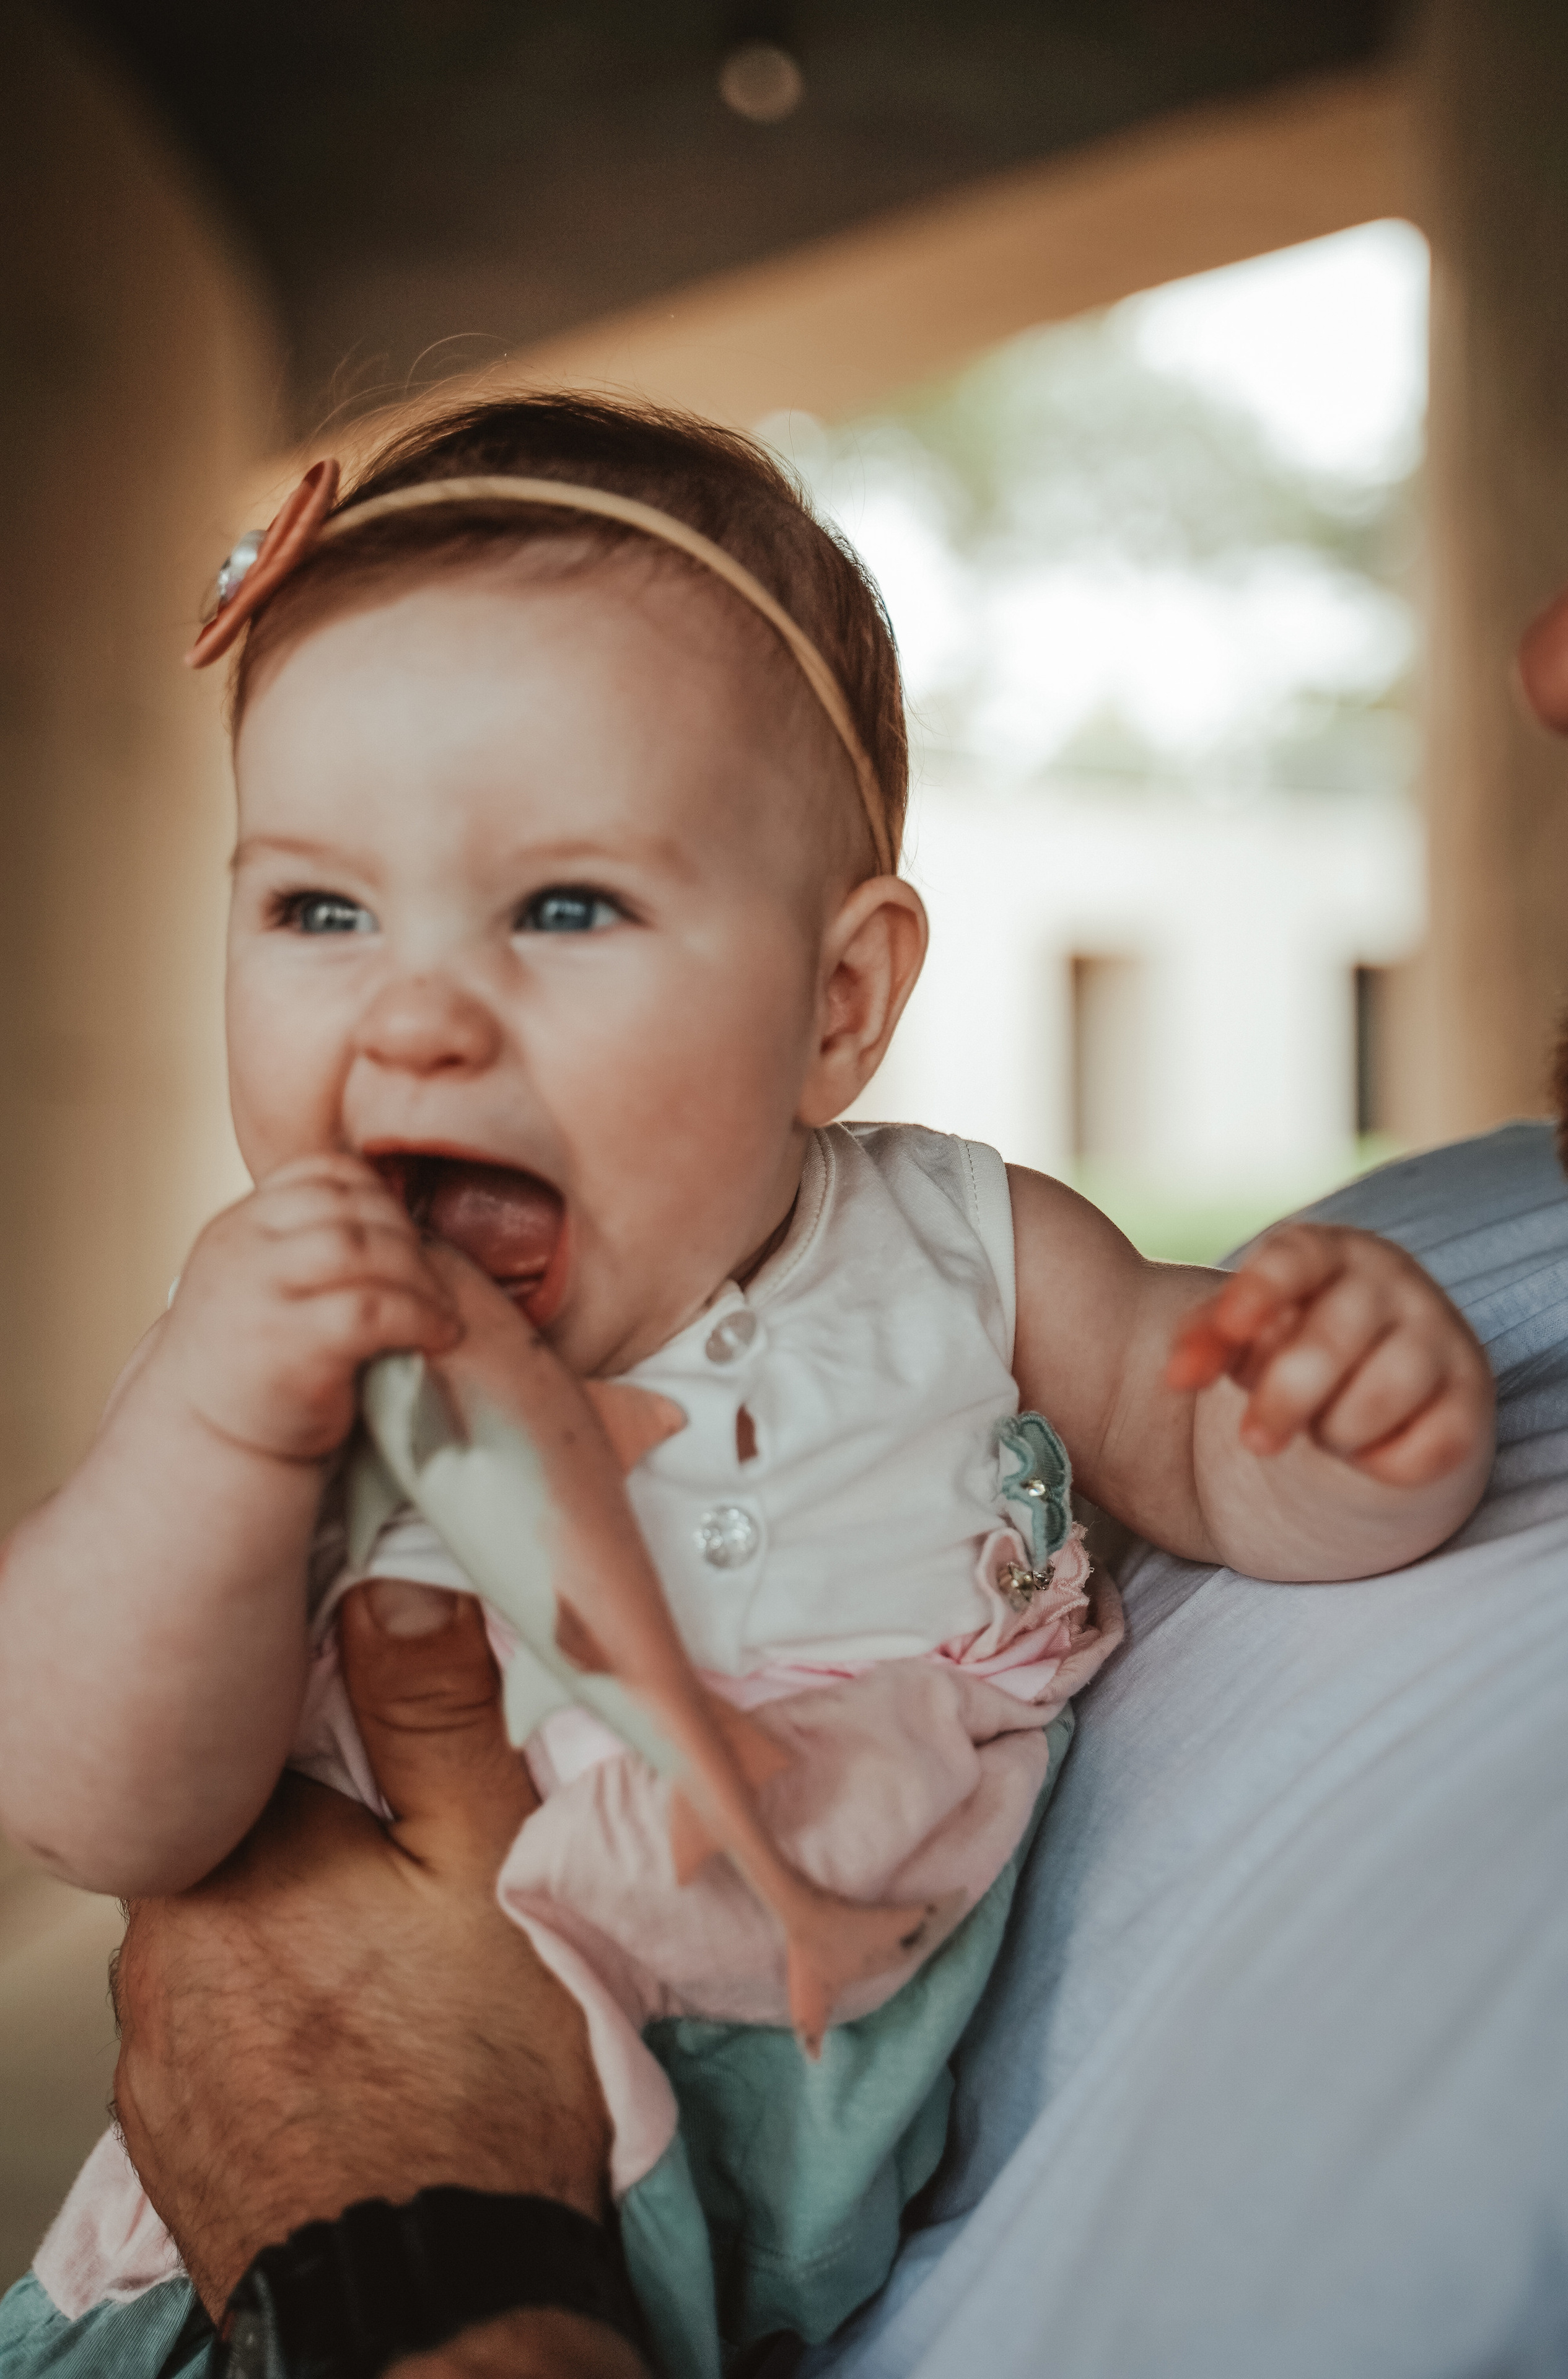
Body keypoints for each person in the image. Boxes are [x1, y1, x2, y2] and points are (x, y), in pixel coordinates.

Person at [0, 394, 1492, 2379]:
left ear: (839, 1002)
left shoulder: (962, 1254)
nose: (417, 1011)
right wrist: (211, 1434)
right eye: (318, 909)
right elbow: (99, 1810)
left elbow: (1206, 1449)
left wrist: (1348, 1418)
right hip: (281, 2278)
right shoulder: (276, 1350)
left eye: (564, 908)